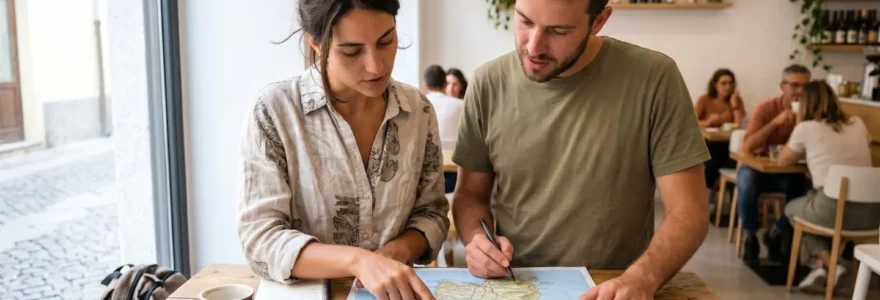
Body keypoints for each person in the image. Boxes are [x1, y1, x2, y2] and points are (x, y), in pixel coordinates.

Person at [451, 0, 711, 299]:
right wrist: (477, 241)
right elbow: (470, 195)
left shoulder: (654, 78)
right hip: (519, 284)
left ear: (599, 21)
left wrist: (643, 278)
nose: (534, 46)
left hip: (617, 285)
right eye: (524, 21)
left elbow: (688, 211)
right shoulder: (487, 83)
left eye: (558, 30)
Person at [237, 1, 448, 299]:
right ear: (316, 43)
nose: (376, 65)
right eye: (351, 51)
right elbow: (260, 239)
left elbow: (432, 214)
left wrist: (396, 252)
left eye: (386, 41)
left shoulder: (418, 110)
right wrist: (360, 261)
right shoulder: (275, 112)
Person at [770, 80, 880, 293]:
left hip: (833, 208)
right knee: (812, 206)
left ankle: (831, 266)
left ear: (805, 104)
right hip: (872, 214)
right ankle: (821, 266)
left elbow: (783, 159)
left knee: (793, 210)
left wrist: (798, 125)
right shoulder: (857, 122)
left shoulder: (805, 127)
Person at [736, 64, 810, 262]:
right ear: (782, 86)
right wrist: (775, 123)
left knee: (805, 190)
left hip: (790, 171)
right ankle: (750, 236)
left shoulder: (811, 113)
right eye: (795, 86)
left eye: (805, 86)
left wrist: (802, 123)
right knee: (746, 179)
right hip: (760, 168)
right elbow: (748, 145)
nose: (800, 91)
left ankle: (776, 233)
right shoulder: (766, 108)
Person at [696, 68, 746, 190]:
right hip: (708, 143)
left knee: (734, 161)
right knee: (713, 162)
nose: (727, 87)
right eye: (723, 83)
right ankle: (709, 192)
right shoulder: (705, 100)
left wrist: (735, 105)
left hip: (728, 143)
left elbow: (740, 125)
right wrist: (709, 122)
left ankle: (726, 197)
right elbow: (691, 123)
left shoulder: (736, 101)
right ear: (715, 84)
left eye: (730, 83)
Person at [423, 65, 463, 194]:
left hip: (424, 174)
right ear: (445, 84)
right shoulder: (461, 105)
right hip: (453, 174)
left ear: (425, 85)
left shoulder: (417, 104)